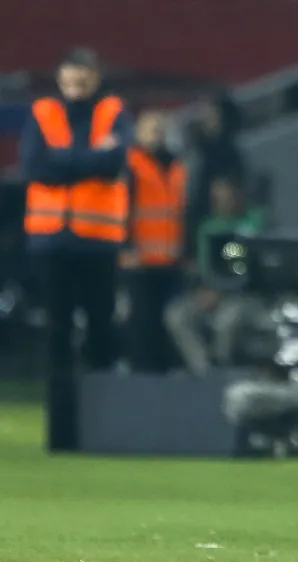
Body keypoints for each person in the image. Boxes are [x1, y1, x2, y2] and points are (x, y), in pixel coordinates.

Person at [19, 48, 134, 451]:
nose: (77, 85)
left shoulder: (113, 111)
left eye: (83, 77)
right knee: (58, 336)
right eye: (70, 77)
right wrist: (88, 157)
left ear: (96, 77)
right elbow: (33, 166)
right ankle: (62, 434)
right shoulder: (43, 112)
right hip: (52, 243)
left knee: (101, 333)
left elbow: (113, 162)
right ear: (60, 77)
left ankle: (102, 429)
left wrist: (64, 161)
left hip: (97, 244)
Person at [164, 177, 265, 375]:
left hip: (245, 296)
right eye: (217, 199)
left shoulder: (254, 223)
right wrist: (206, 291)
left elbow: (247, 267)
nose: (222, 204)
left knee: (226, 322)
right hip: (211, 293)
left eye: (227, 198)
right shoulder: (208, 228)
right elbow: (206, 267)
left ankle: (224, 369)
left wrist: (222, 291)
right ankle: (204, 371)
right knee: (176, 315)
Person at [120, 109, 187, 373]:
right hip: (140, 260)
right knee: (142, 321)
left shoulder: (176, 166)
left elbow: (182, 212)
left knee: (166, 323)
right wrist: (125, 248)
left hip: (170, 260)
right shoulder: (131, 164)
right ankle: (142, 373)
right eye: (150, 129)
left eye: (160, 130)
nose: (156, 136)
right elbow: (120, 210)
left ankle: (164, 372)